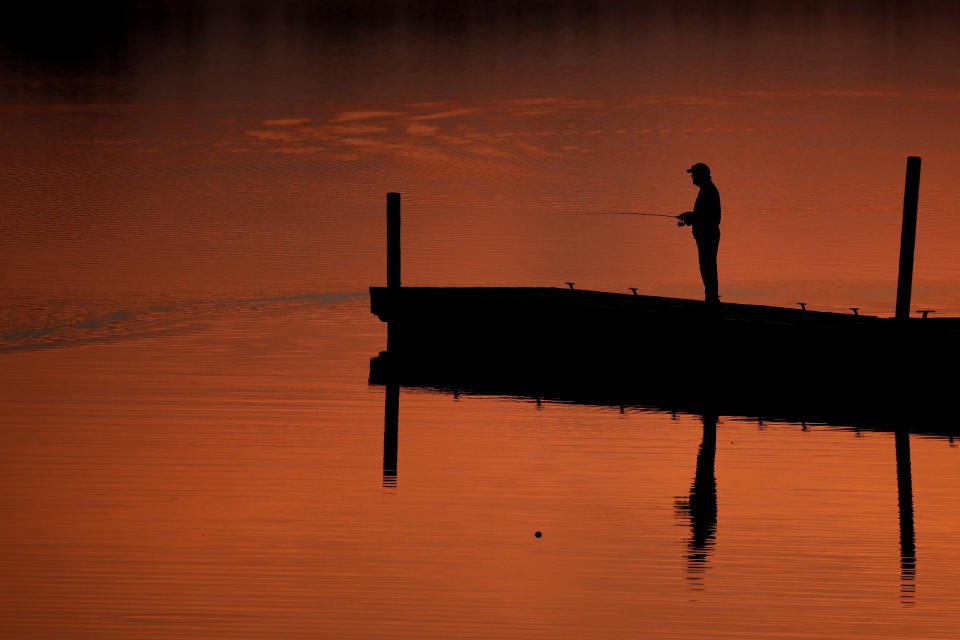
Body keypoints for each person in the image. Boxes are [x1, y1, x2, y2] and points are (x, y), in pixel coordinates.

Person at [677, 163, 721, 304]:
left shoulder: (708, 190)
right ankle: (711, 298)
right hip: (706, 235)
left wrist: (691, 217)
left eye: (694, 174)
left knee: (708, 267)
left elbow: (710, 217)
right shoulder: (706, 189)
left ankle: (712, 299)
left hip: (708, 235)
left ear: (702, 175)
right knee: (707, 267)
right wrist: (690, 218)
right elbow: (703, 215)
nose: (692, 176)